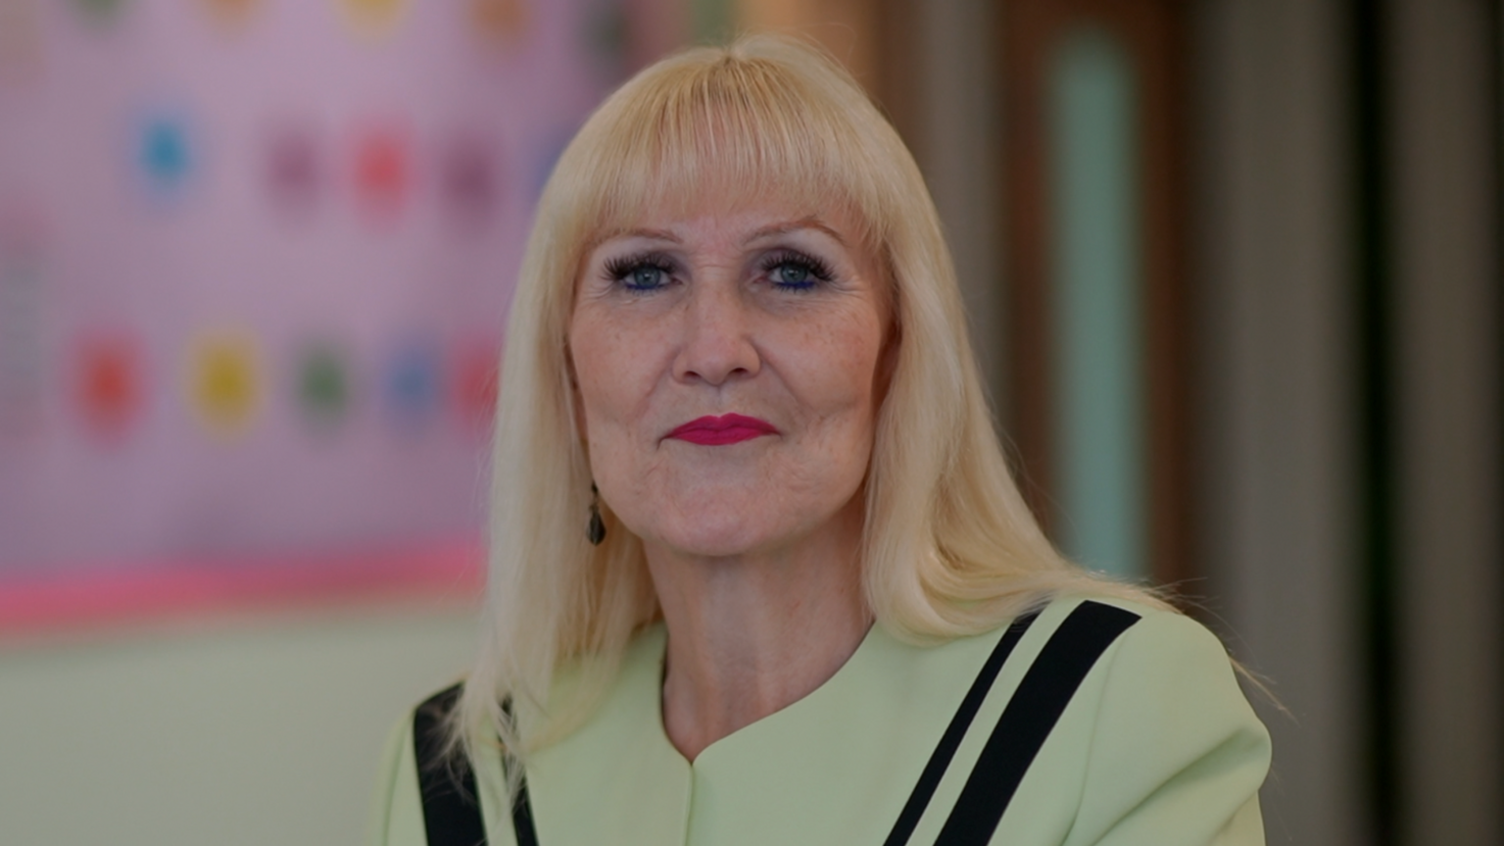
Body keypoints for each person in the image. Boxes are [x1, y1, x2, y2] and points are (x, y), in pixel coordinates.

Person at [367, 34, 1270, 846]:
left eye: (792, 270)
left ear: (895, 356)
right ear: (564, 373)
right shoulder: (465, 775)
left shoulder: (1106, 706)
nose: (716, 350)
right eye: (643, 274)